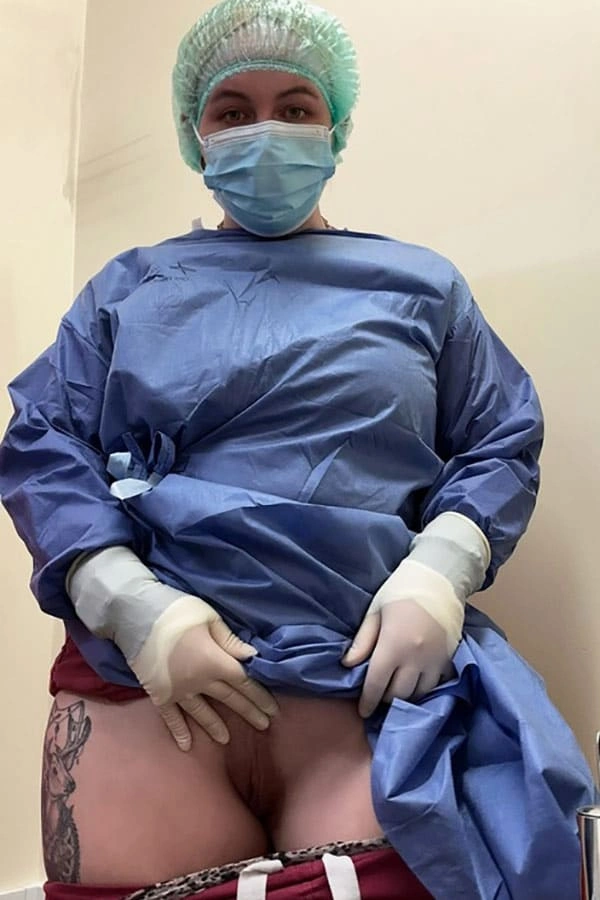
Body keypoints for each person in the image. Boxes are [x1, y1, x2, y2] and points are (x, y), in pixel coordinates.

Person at [0, 1, 594, 898]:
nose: (265, 131)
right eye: (233, 110)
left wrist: (439, 571)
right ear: (196, 134)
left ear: (336, 126)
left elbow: (499, 438)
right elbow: (44, 442)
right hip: (146, 694)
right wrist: (125, 599)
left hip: (356, 698)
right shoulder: (125, 291)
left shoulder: (421, 288)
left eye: (296, 107)